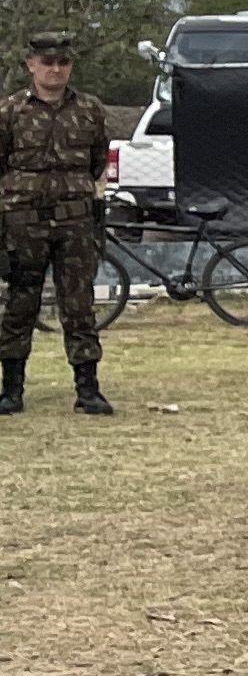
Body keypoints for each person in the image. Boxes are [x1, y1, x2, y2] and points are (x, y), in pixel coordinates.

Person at [1, 30, 115, 417]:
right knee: (20, 304)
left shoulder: (90, 109)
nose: (55, 69)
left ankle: (88, 389)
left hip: (75, 222)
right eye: (47, 62)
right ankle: (11, 390)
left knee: (79, 305)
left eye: (62, 62)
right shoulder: (11, 111)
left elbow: (97, 160)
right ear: (31, 65)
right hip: (23, 222)